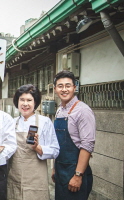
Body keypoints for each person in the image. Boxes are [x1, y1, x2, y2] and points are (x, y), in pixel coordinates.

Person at [7, 84, 60, 200]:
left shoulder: (45, 122)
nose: (25, 104)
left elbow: (55, 150)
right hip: (14, 177)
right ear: (17, 102)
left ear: (35, 102)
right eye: (22, 100)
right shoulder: (12, 123)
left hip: (36, 180)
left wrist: (38, 148)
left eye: (29, 100)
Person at [52, 70, 96, 200]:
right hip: (61, 171)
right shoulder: (60, 110)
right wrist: (55, 168)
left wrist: (78, 175)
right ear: (55, 89)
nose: (64, 89)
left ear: (74, 88)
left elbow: (87, 145)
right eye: (60, 86)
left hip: (75, 172)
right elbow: (58, 144)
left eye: (68, 86)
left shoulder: (83, 111)